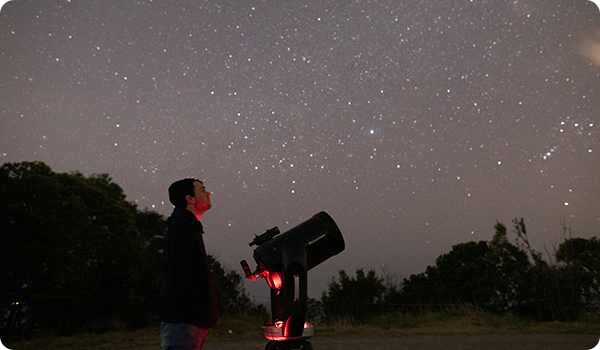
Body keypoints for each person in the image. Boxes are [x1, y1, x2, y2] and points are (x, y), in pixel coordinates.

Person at [160, 178, 219, 350]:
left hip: (188, 322)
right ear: (190, 198)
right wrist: (199, 311)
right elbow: (181, 276)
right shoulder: (183, 227)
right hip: (183, 322)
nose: (208, 193)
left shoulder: (188, 226)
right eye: (202, 190)